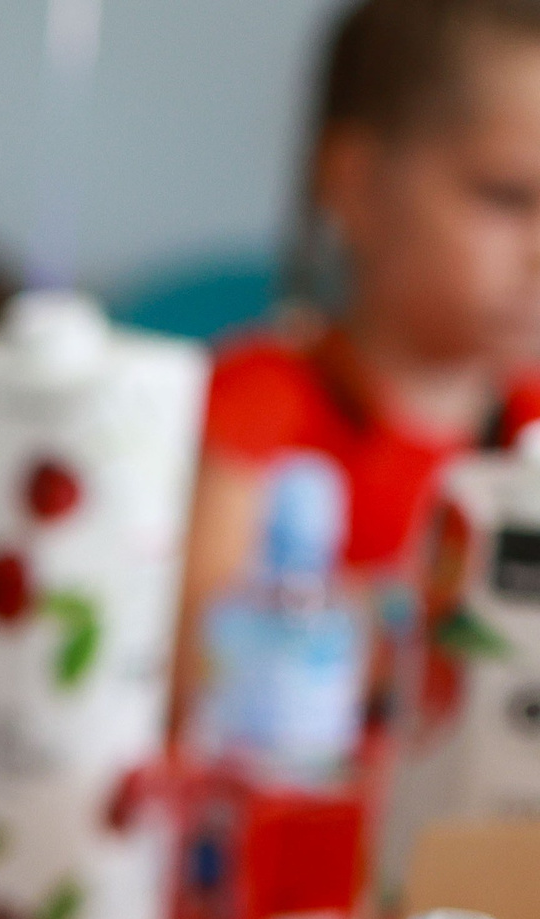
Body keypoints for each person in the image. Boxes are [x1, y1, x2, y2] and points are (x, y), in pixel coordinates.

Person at [181, 0, 540, 711]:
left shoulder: (531, 425)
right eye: (509, 197)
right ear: (355, 184)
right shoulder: (261, 400)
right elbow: (196, 667)